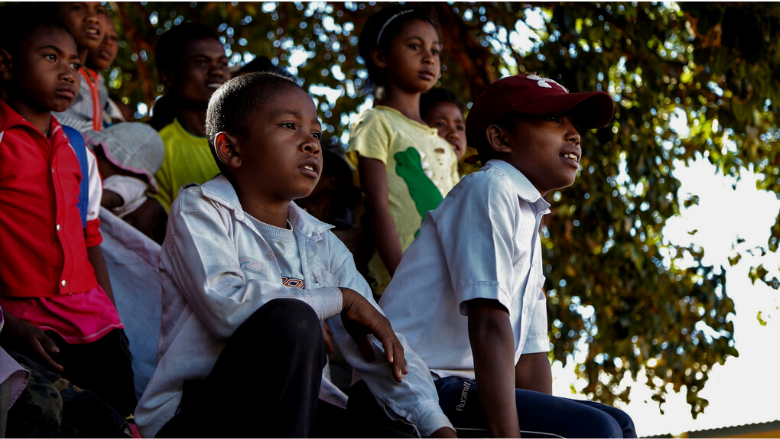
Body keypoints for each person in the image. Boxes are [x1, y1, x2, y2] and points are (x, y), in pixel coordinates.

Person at [134, 72, 456, 438]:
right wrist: (340, 299)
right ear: (231, 149)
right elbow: (229, 310)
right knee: (295, 322)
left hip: (286, 413)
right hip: (197, 414)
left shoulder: (322, 242)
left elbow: (380, 341)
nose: (312, 144)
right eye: (290, 126)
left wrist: (435, 424)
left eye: (316, 134)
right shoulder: (200, 209)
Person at [353, 73, 637, 438]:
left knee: (619, 423)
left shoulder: (529, 215)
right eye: (554, 119)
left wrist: (543, 421)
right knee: (596, 430)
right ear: (500, 138)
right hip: (407, 385)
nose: (574, 134)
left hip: (456, 388)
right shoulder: (489, 188)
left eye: (574, 124)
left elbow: (533, 357)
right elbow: (488, 322)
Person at [0, 14, 136, 417]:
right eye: (50, 57)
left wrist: (113, 317)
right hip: (25, 321)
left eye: (75, 64)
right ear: (6, 65)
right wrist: (7, 324)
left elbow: (90, 237)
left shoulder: (78, 149)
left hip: (94, 321)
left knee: (118, 416)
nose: (68, 73)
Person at [346, 5, 460, 296]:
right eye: (414, 46)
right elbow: (376, 206)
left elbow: (456, 219)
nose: (429, 58)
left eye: (435, 51)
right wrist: (402, 280)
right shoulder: (376, 122)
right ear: (380, 57)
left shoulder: (444, 146)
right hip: (395, 285)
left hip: (445, 287)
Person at [152, 22, 230, 213]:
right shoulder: (157, 150)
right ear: (168, 77)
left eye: (222, 63)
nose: (217, 71)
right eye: (201, 62)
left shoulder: (250, 139)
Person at [85, 122, 168, 243]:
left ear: (126, 168)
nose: (96, 160)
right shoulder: (131, 183)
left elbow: (112, 199)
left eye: (101, 156)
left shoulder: (129, 183)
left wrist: (80, 197)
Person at [50, 2, 111, 132]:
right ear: (54, 14)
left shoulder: (97, 80)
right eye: (78, 7)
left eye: (99, 11)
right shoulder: (51, 70)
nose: (93, 17)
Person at [86, 12, 126, 125]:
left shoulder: (104, 95)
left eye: (113, 37)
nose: (108, 42)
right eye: (99, 33)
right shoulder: (69, 79)